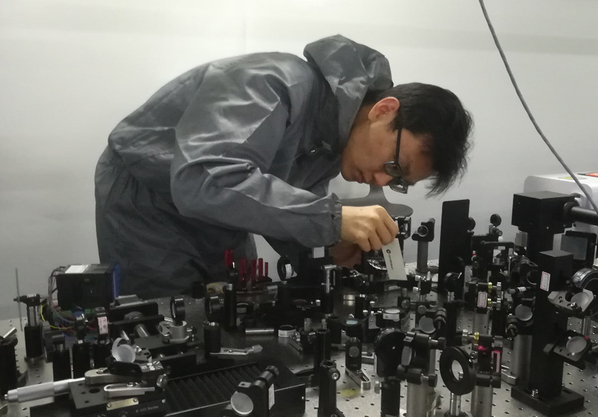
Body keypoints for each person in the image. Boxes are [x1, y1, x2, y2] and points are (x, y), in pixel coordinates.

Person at [95, 34, 472, 299]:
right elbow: (203, 180)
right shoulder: (272, 83)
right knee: (170, 332)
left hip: (221, 216)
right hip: (149, 208)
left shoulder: (334, 142)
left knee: (236, 309)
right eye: (394, 165)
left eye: (398, 181)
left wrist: (328, 246)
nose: (380, 179)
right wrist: (332, 219)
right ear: (384, 110)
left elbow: (274, 205)